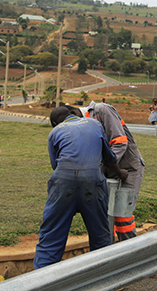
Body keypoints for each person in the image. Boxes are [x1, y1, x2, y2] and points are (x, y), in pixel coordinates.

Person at [33, 106, 124, 269]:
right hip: (93, 183)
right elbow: (109, 158)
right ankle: (102, 278)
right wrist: (120, 172)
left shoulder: (55, 132)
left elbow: (55, 164)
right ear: (73, 114)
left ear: (55, 123)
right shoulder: (94, 124)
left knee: (52, 234)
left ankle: (41, 280)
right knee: (100, 234)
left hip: (63, 183)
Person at [81, 101, 145, 241]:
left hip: (129, 168)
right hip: (108, 169)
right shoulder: (82, 126)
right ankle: (109, 252)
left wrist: (104, 167)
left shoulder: (101, 110)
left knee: (122, 214)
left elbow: (120, 141)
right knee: (106, 213)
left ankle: (128, 251)